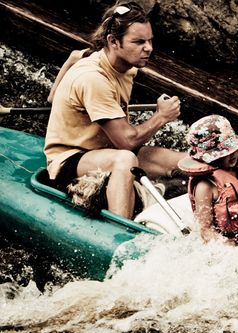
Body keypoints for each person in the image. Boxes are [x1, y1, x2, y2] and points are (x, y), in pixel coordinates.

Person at [44, 2, 184, 219]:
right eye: (138, 42)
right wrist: (161, 117)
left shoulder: (123, 65)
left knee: (179, 161)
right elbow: (126, 142)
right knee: (126, 159)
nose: (148, 48)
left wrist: (60, 92)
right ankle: (119, 229)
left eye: (149, 40)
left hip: (105, 150)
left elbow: (71, 63)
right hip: (70, 161)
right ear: (113, 41)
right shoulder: (94, 79)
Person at [177, 115, 238, 243]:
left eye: (232, 148)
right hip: (235, 247)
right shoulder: (205, 186)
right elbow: (206, 231)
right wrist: (233, 249)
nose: (232, 154)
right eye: (224, 152)